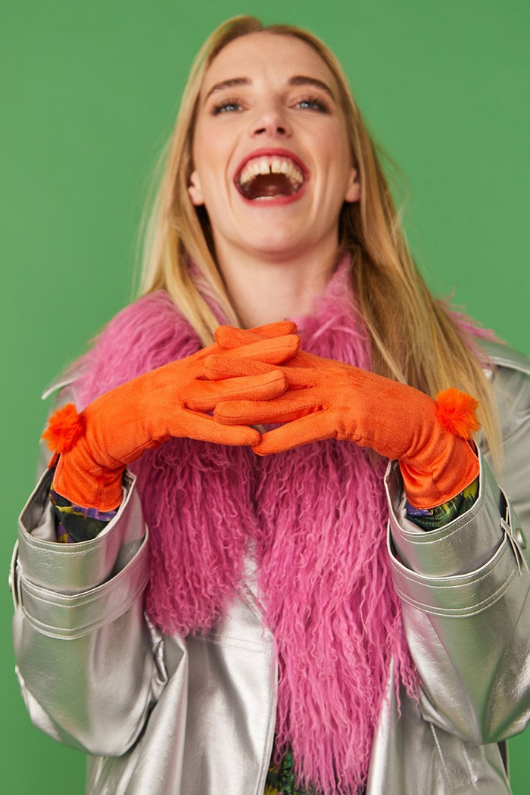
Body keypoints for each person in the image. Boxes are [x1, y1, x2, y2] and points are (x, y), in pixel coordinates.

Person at [11, 15, 530, 795]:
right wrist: (84, 481)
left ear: (352, 173)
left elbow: (498, 696)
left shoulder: (483, 393)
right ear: (192, 177)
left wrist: (439, 471)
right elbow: (85, 712)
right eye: (229, 104)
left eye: (309, 102)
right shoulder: (105, 404)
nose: (270, 117)